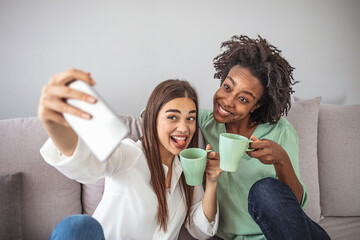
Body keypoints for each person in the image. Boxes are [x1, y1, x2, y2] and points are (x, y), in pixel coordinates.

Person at [38, 69, 222, 239]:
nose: (184, 128)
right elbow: (87, 165)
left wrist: (212, 181)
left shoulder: (187, 169)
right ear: (152, 119)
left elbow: (200, 229)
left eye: (190, 118)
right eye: (172, 117)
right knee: (77, 227)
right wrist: (55, 123)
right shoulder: (130, 154)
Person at [198, 35, 330, 240]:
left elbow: (293, 207)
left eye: (243, 99)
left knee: (264, 190)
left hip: (287, 234)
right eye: (227, 87)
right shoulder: (206, 123)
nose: (227, 101)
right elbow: (158, 112)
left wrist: (281, 160)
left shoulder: (279, 132)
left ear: (257, 105)